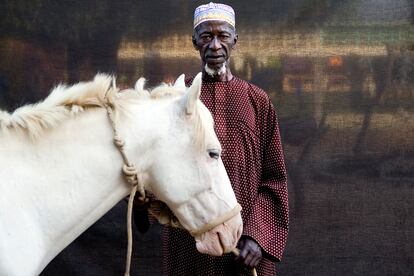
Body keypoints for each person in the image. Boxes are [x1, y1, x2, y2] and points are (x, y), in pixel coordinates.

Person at [135, 2, 289, 275]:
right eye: (206, 36)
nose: (215, 45)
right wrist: (143, 199)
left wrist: (257, 236)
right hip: (188, 248)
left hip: (243, 252)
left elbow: (274, 179)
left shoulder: (257, 101)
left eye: (223, 36)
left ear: (235, 40)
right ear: (194, 41)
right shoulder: (175, 102)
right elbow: (157, 172)